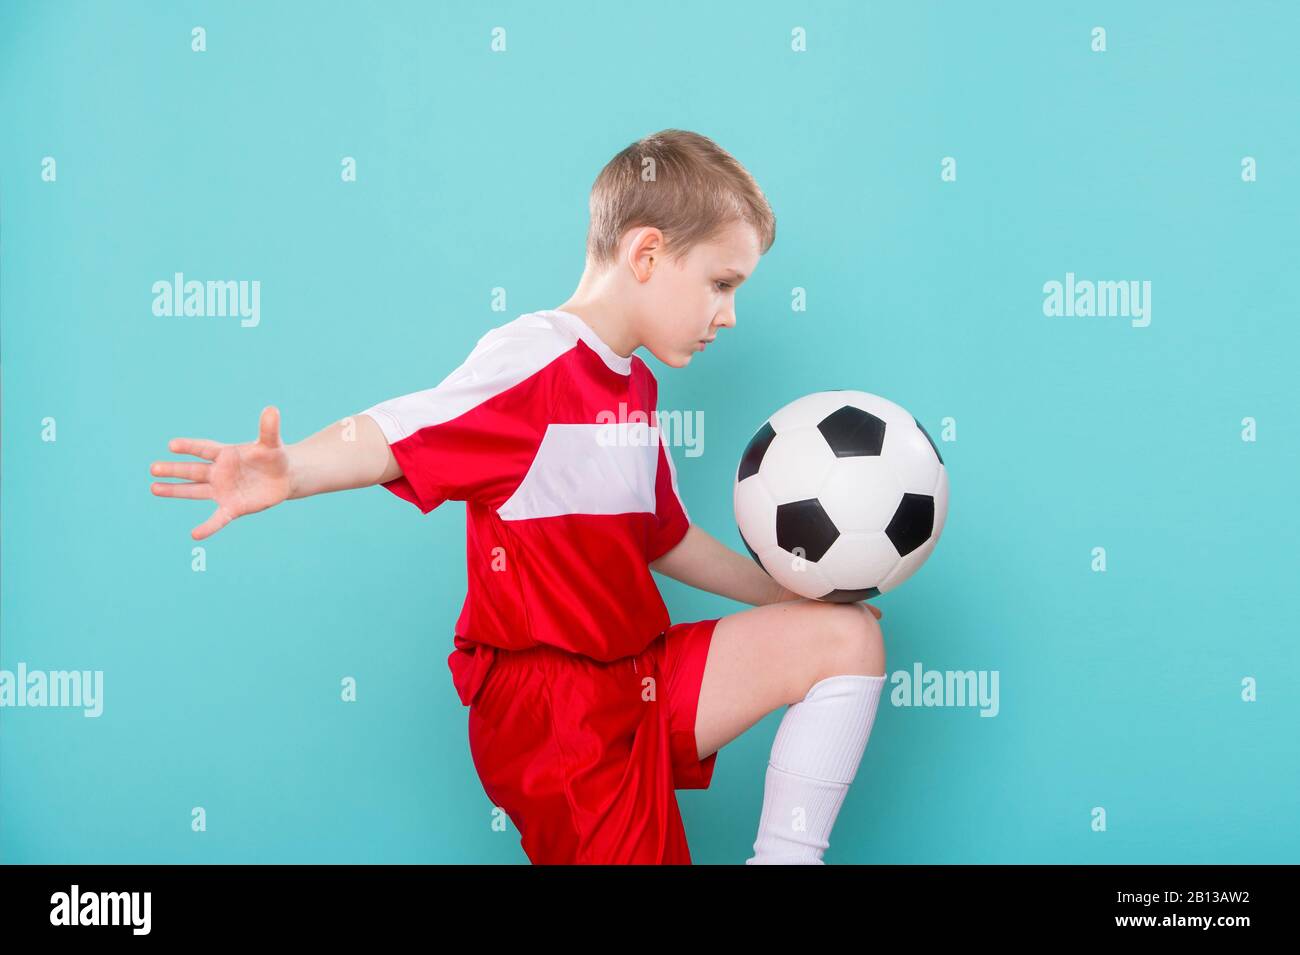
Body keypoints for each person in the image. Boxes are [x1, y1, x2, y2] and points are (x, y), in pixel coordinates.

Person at [149, 129, 887, 865]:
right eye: (722, 284)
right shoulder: (534, 358)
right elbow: (398, 429)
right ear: (648, 254)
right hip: (554, 708)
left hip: (640, 673)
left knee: (845, 637)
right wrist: (293, 470)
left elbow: (662, 538)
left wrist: (791, 594)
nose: (728, 314)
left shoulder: (636, 385)